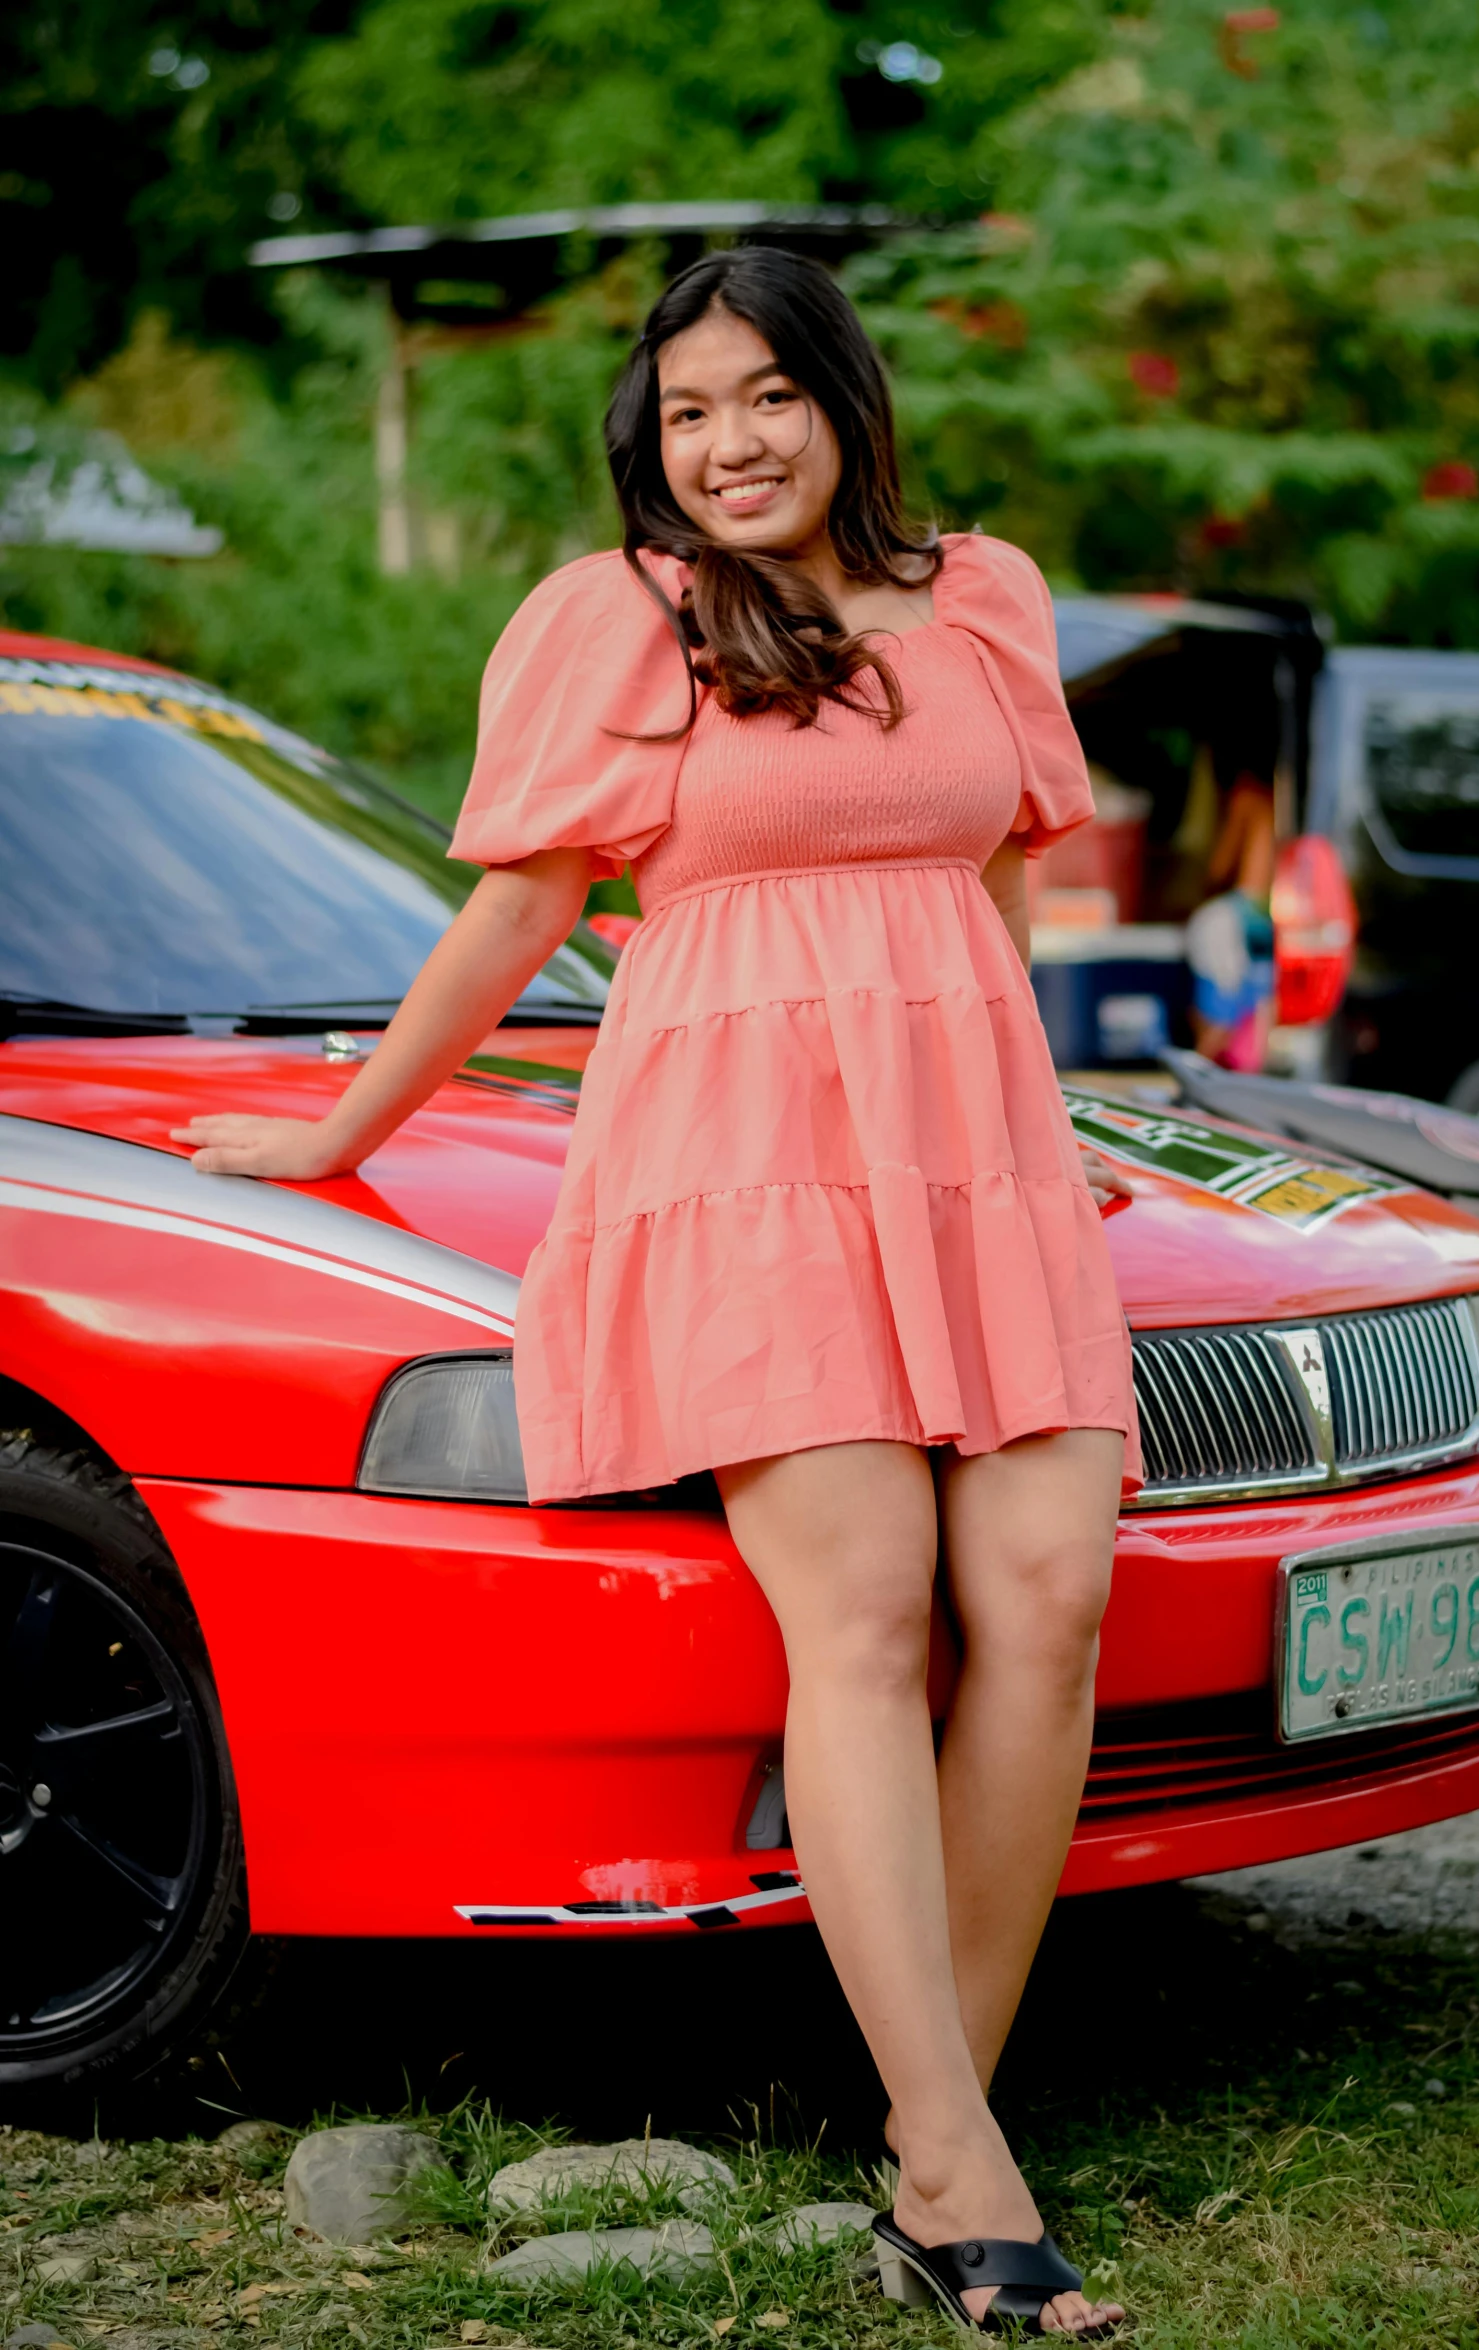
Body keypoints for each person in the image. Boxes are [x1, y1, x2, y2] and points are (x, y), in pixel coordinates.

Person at [172, 248, 1140, 2338]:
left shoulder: (983, 595)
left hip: (969, 1149)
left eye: (767, 394)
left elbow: (1001, 877)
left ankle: (927, 2124)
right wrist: (344, 1129)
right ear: (654, 436)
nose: (733, 442)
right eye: (691, 410)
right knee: (868, 1610)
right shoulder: (624, 615)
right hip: (740, 1154)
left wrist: (1025, 1121)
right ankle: (963, 2168)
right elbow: (519, 901)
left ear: (841, 398)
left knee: (1051, 1588)